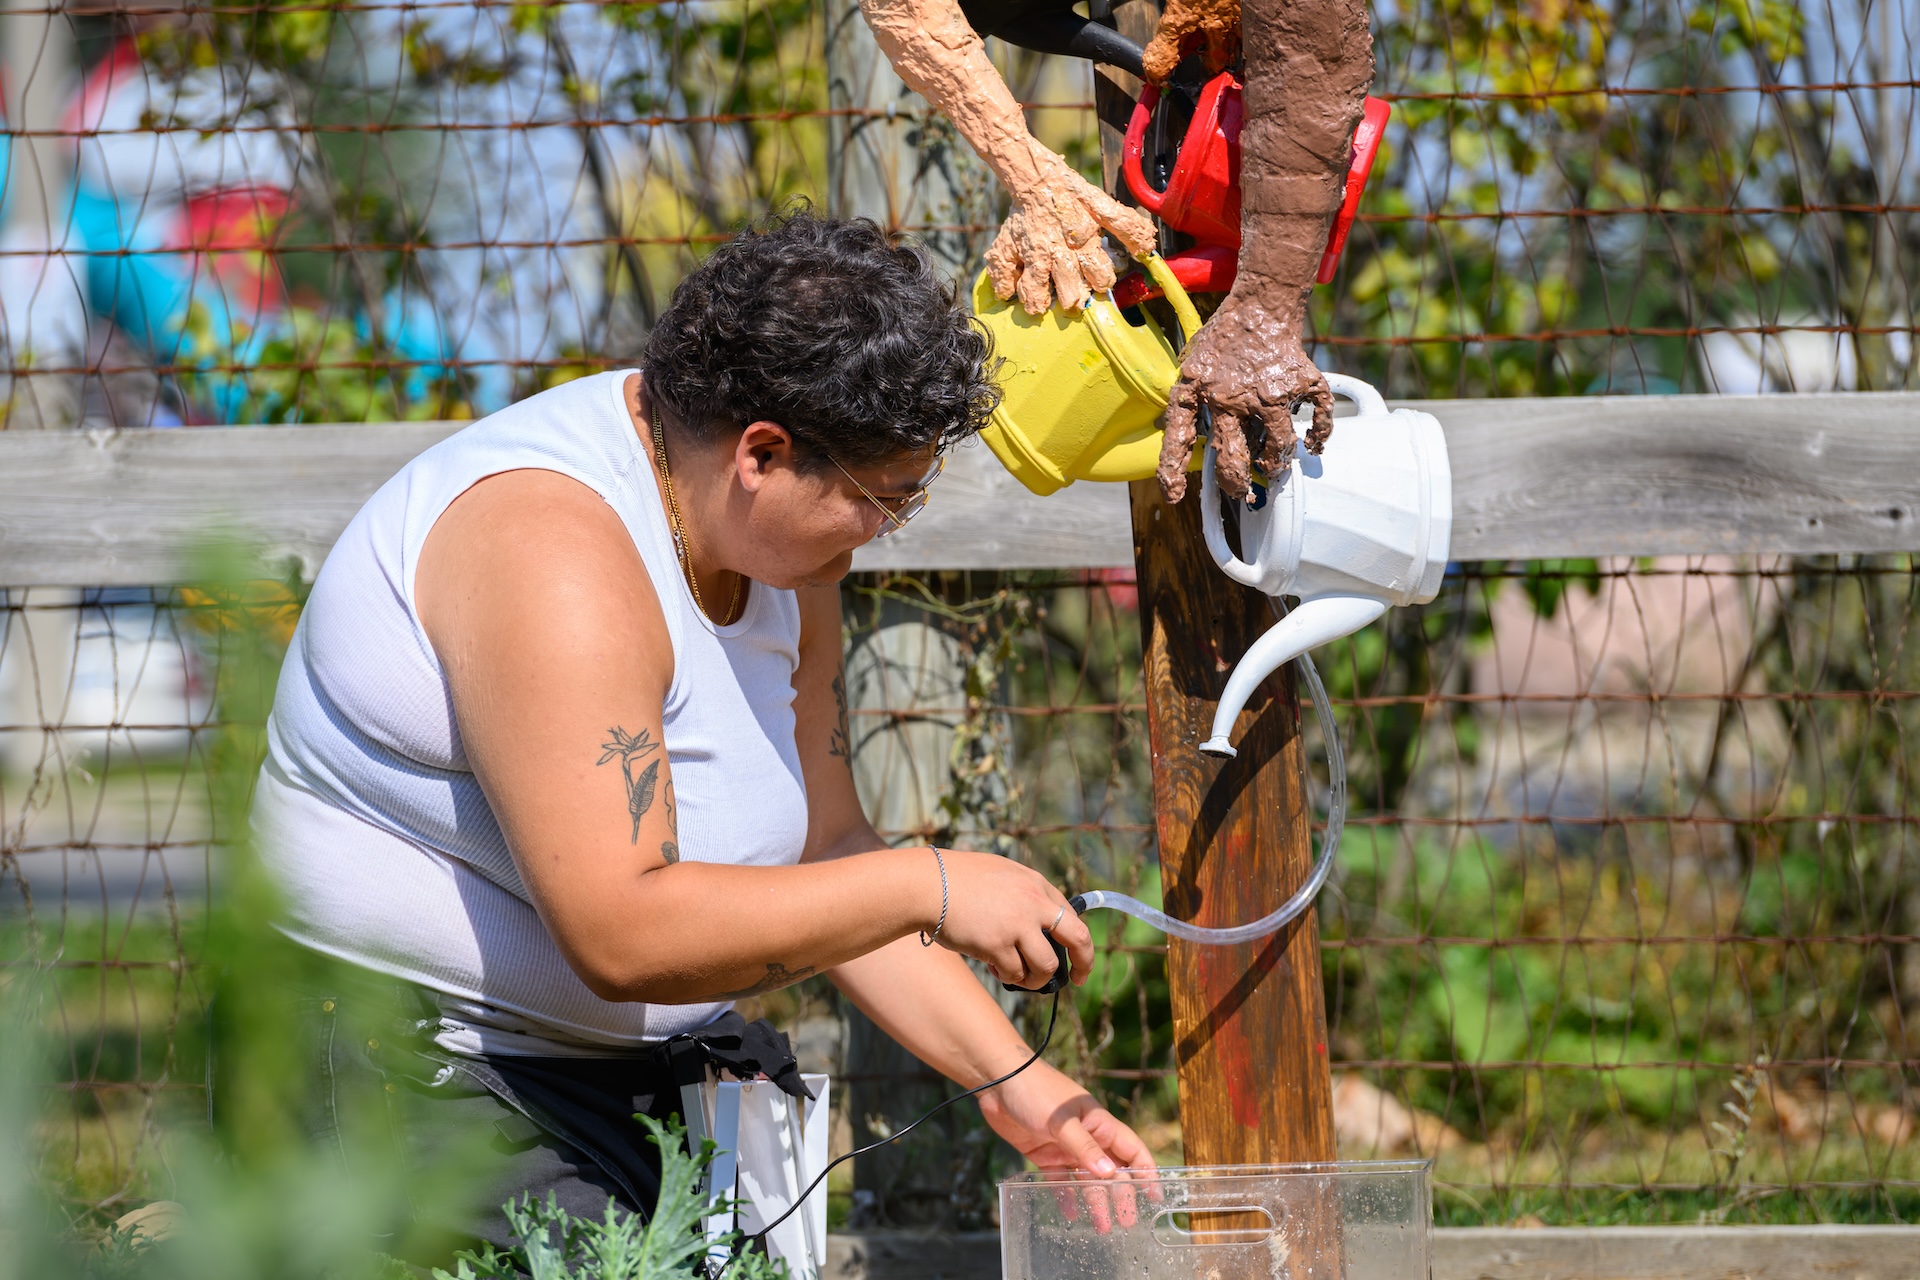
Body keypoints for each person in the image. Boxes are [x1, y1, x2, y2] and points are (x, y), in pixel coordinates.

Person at [251, 209, 1153, 1254]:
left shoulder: (780, 553)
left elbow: (828, 848)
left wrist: (1020, 1083)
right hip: (415, 1081)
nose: (885, 532)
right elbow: (621, 933)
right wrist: (937, 883)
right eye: (879, 498)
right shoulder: (556, 558)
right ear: (761, 452)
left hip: (625, 1077)